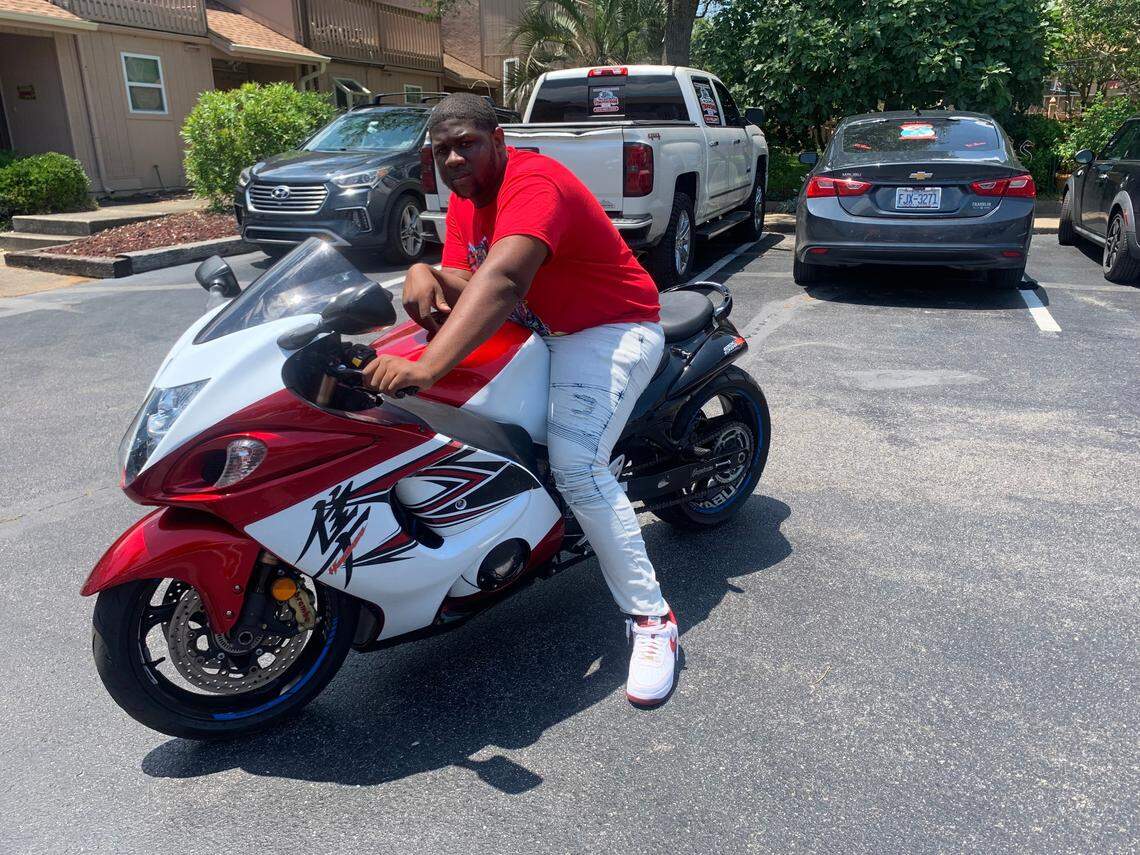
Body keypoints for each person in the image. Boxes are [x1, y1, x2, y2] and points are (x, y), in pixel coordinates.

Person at [363, 93, 678, 707]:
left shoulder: (537, 184)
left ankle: (651, 620)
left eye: (467, 143)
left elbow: (503, 281)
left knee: (578, 466)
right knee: (458, 425)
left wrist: (425, 367)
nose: (455, 157)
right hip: (537, 333)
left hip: (608, 329)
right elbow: (468, 280)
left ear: (498, 138)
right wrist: (425, 270)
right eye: (443, 149)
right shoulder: (463, 201)